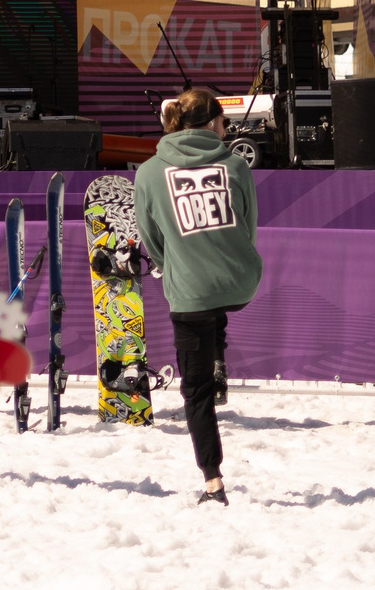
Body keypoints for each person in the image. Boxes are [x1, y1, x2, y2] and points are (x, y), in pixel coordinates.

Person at [131, 88, 262, 505]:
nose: (227, 131)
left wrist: (181, 262)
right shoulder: (236, 165)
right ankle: (219, 347)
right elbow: (247, 225)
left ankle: (213, 480)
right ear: (210, 124)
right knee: (214, 301)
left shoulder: (149, 173)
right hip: (240, 282)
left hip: (189, 291)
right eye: (225, 123)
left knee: (197, 390)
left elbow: (152, 241)